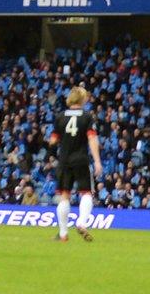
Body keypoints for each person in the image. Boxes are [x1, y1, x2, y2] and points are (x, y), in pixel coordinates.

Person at [49, 86, 101, 243]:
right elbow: (92, 139)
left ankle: (63, 234)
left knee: (64, 196)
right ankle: (82, 223)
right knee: (86, 193)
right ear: (82, 99)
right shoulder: (86, 117)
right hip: (81, 159)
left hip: (64, 161)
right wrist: (97, 160)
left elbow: (53, 141)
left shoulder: (60, 116)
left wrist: (54, 152)